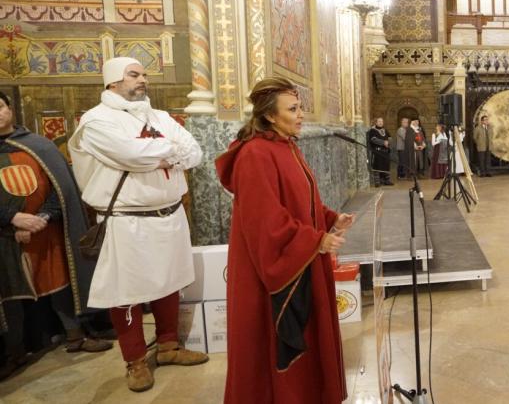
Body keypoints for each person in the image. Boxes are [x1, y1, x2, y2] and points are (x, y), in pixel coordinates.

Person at [67, 57, 207, 392]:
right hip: (126, 220)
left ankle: (169, 345)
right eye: (133, 74)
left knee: (170, 281)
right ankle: (136, 360)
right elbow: (131, 154)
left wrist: (163, 153)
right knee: (126, 292)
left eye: (143, 74)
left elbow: (194, 152)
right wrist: (168, 152)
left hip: (169, 213)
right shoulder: (96, 121)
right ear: (112, 81)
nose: (142, 79)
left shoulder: (157, 117)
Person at [215, 77, 353, 403]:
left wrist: (331, 218)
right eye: (293, 109)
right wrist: (314, 241)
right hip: (272, 271)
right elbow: (265, 221)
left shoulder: (285, 145)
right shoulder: (255, 155)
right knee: (272, 344)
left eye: (300, 107)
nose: (301, 114)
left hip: (300, 257)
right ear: (270, 116)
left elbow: (298, 200)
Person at [0, 91, 112, 380]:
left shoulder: (39, 146)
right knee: (10, 295)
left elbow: (59, 190)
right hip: (5, 238)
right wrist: (11, 219)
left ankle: (75, 335)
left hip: (45, 230)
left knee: (62, 281)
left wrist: (42, 217)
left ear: (10, 109)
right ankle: (14, 352)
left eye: (0, 107)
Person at [366, 118, 392, 187]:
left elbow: (390, 138)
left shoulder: (385, 130)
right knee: (377, 166)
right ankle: (377, 182)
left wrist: (388, 142)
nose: (381, 123)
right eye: (379, 121)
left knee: (386, 166)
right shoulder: (372, 130)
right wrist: (383, 142)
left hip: (385, 151)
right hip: (377, 151)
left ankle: (387, 181)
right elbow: (373, 139)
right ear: (376, 122)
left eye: (382, 121)